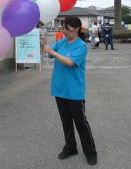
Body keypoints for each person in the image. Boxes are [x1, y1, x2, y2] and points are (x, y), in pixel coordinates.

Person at [43, 16, 97, 166]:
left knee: (80, 123)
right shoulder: (61, 43)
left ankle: (91, 152)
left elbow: (70, 62)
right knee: (66, 122)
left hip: (74, 91)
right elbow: (47, 53)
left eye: (67, 28)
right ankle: (70, 147)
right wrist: (44, 46)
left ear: (77, 29)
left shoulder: (81, 46)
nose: (64, 31)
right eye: (63, 28)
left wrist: (52, 53)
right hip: (59, 89)